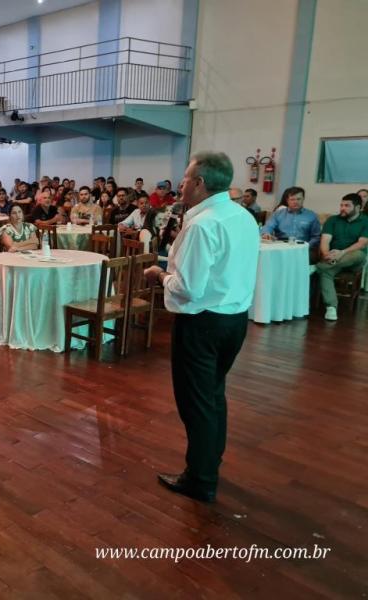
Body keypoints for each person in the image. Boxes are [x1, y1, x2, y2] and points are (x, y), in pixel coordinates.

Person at [143, 151, 259, 503]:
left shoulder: (203, 223)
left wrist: (160, 274)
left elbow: (188, 288)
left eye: (186, 177)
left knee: (197, 403)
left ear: (200, 183)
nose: (182, 183)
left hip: (202, 324)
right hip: (234, 320)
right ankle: (209, 463)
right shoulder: (242, 216)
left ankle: (200, 478)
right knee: (212, 396)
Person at [316, 193, 368, 322]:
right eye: (341, 205)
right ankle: (331, 307)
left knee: (356, 254)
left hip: (354, 257)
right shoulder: (333, 220)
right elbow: (325, 241)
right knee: (326, 271)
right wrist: (326, 254)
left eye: (347, 206)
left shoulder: (366, 221)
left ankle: (316, 267)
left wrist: (341, 253)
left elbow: (361, 243)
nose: (342, 208)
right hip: (333, 259)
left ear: (358, 207)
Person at [261, 188, 321, 259]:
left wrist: (306, 246)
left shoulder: (311, 215)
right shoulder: (278, 214)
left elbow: (316, 237)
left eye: (298, 199)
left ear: (303, 199)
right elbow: (268, 226)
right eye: (292, 199)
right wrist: (266, 233)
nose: (296, 202)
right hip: (282, 247)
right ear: (287, 200)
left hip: (303, 249)